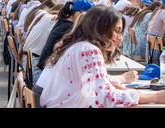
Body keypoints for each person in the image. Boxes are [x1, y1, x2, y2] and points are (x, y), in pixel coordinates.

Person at [36, 6, 165, 108]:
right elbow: (105, 99)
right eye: (116, 30)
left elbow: (94, 86)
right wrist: (155, 97)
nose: (120, 37)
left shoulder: (78, 46)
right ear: (100, 29)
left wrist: (117, 83)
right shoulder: (88, 50)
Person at [37, 0, 94, 71]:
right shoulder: (69, 28)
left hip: (44, 69)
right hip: (44, 71)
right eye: (89, 17)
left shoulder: (64, 22)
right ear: (77, 14)